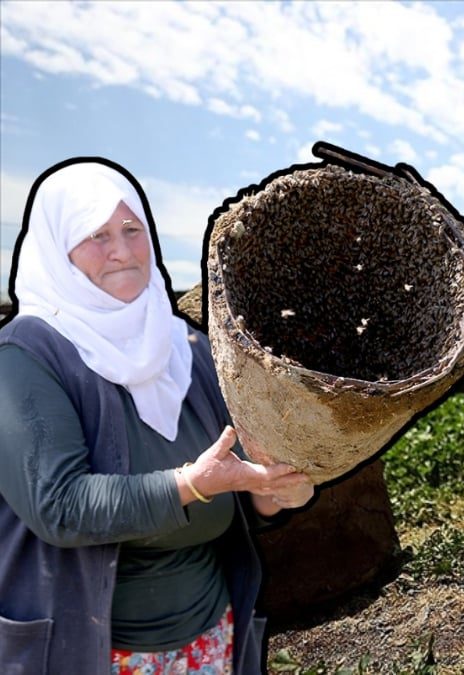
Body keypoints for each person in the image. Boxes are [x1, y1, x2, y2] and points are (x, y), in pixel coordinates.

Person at [0, 160, 316, 674]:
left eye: (132, 229)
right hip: (93, 652)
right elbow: (59, 506)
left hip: (209, 642)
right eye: (96, 235)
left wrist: (275, 493)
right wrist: (190, 485)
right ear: (57, 250)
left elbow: (238, 478)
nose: (122, 251)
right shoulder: (25, 357)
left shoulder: (188, 348)